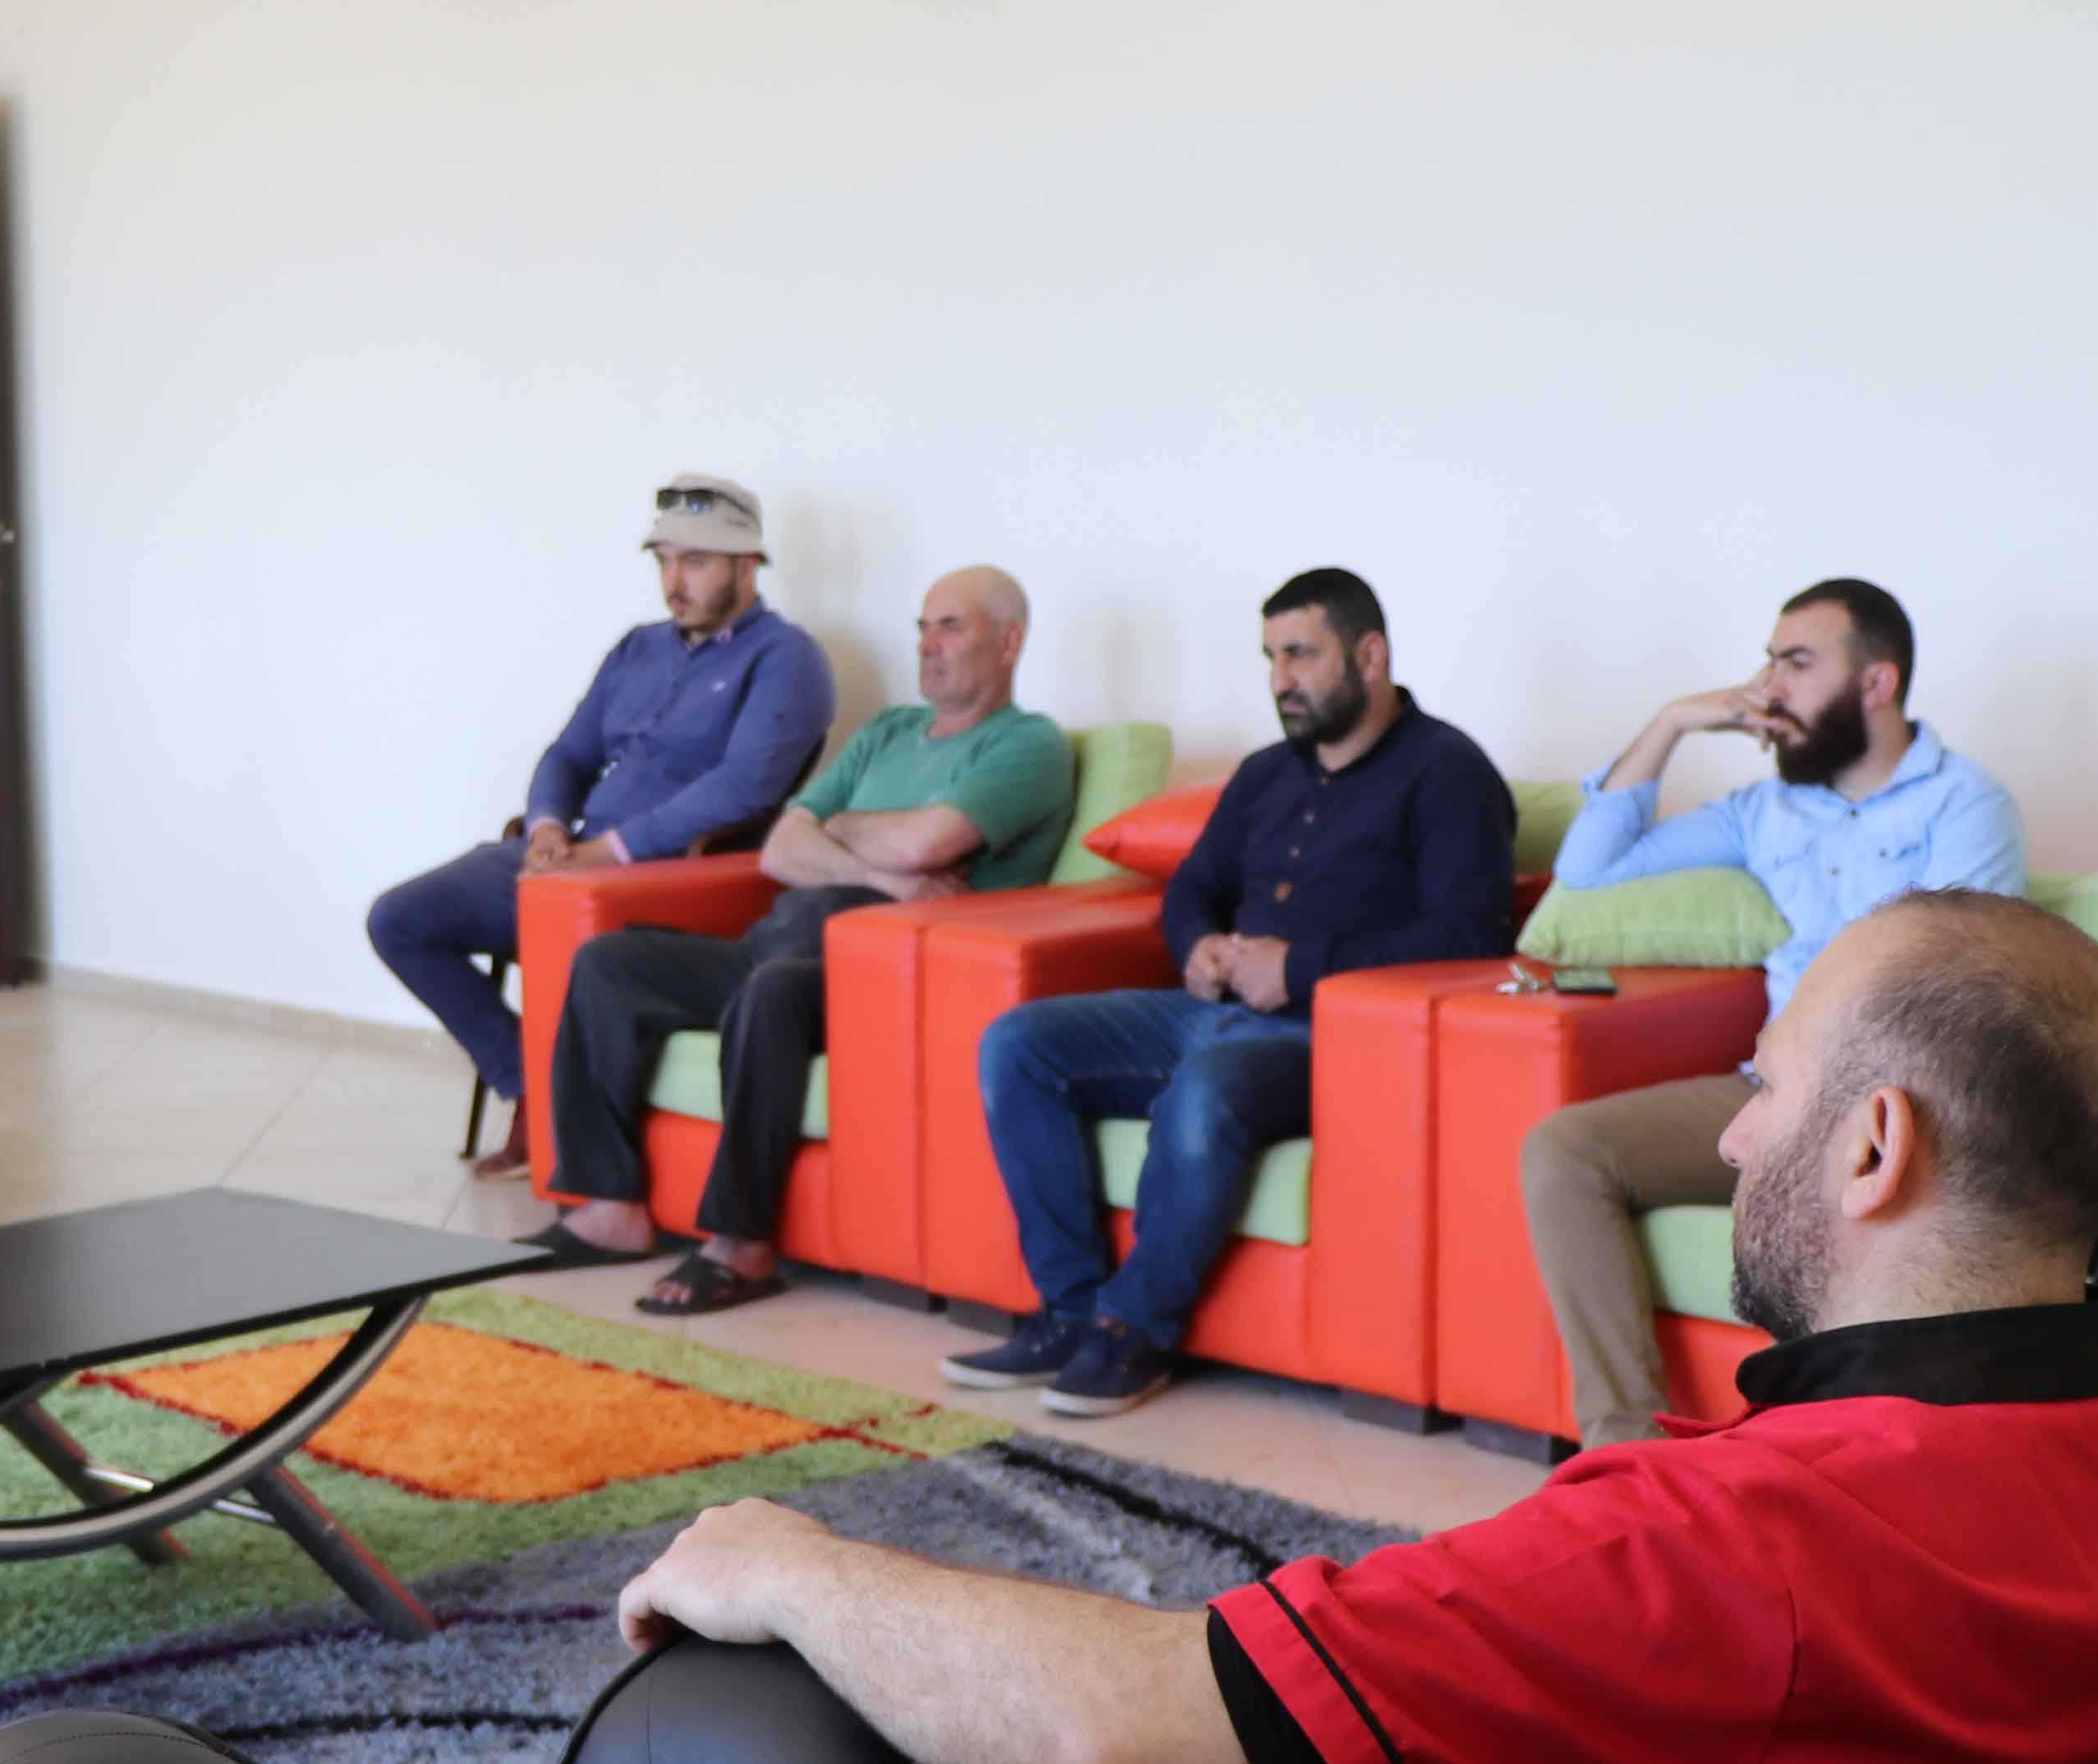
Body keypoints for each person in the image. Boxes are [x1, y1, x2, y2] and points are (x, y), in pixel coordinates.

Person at [615, 893, 2098, 1764]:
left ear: (1875, 1149)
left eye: (1765, 1090)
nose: (1732, 1140)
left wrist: (790, 1563)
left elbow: (1110, 1727)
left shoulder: (1705, 1549)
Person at [945, 569, 1516, 1418]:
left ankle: (1133, 1329)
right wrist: (1198, 946)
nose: (1281, 679)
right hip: (1209, 1012)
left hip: (1328, 1038)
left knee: (1209, 1085)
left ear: (1370, 655)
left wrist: (1301, 967)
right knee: (1018, 1043)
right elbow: (1190, 888)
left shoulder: (1449, 773)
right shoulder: (1265, 774)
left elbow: (1470, 937)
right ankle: (1070, 1312)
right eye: (1270, 657)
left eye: (1301, 654)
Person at [1517, 578, 2025, 1446]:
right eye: (1769, 663)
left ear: (1876, 682)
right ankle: (1626, 1451)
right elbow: (1590, 868)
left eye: (1796, 663)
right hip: (1773, 1092)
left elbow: (1954, 990)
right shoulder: (1766, 811)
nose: (1768, 687)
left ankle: (1833, 1463)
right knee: (1565, 1151)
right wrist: (1676, 720)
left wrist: (1830, 1102)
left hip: (1893, 1105)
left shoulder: (1966, 804)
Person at [530, 569, 1073, 1317]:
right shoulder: (887, 732)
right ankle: (609, 1210)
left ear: (1009, 643)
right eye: (922, 627)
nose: (927, 645)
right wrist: (875, 866)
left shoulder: (1029, 745)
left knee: (773, 990)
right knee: (609, 964)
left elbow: (928, 842)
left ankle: (742, 1244)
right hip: (779, 935)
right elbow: (783, 848)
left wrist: (841, 831)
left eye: (951, 627)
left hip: (879, 971)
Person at [366, 476, 837, 1178]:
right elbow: (569, 754)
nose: (674, 582)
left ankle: (560, 1110)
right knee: (399, 919)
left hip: (668, 872)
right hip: (575, 854)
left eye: (696, 562)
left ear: (746, 566)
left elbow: (744, 786)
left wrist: (609, 851)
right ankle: (532, 1081)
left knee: (558, 916)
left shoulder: (786, 659)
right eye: (664, 561)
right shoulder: (638, 649)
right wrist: (550, 828)